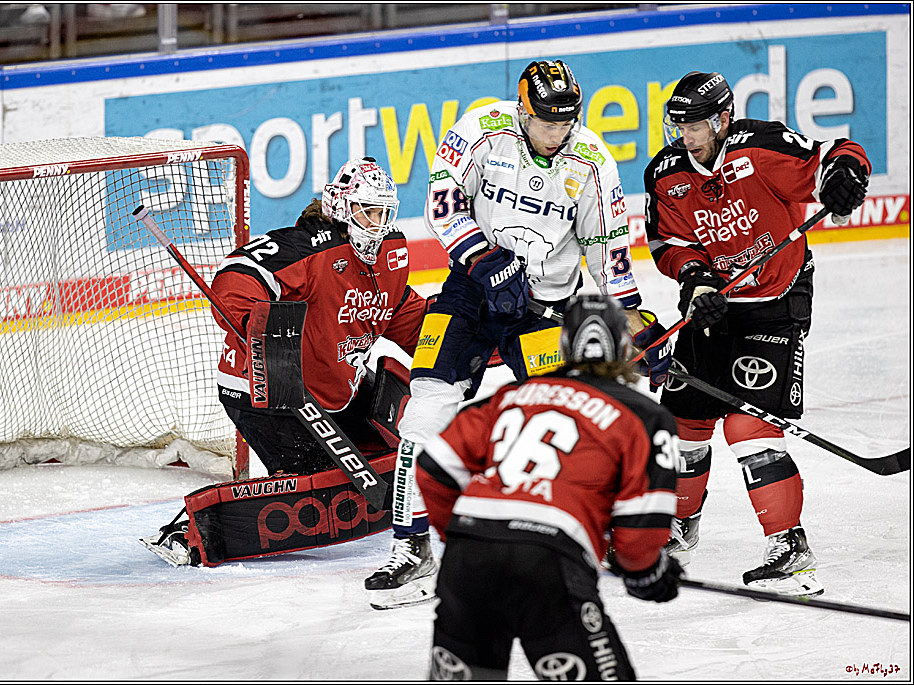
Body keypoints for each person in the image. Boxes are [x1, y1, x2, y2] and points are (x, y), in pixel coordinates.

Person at [364, 59, 673, 608]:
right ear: (524, 113)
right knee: (425, 407)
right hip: (469, 293)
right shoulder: (482, 127)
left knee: (561, 417)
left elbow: (607, 249)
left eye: (566, 122)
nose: (558, 132)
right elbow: (442, 201)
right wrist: (484, 261)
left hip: (543, 309)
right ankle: (411, 549)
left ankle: (579, 528)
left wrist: (632, 316)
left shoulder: (593, 161)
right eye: (547, 122)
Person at [644, 71, 870, 597]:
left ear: (722, 119)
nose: (685, 137)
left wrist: (844, 177)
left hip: (775, 304)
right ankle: (678, 529)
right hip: (712, 308)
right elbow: (668, 243)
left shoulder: (761, 145)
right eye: (679, 126)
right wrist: (696, 281)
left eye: (694, 126)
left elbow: (839, 153)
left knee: (749, 428)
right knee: (683, 421)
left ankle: (790, 546)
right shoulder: (666, 173)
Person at [416, 294, 682, 680]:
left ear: (563, 346)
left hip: (468, 560)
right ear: (625, 348)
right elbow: (639, 530)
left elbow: (434, 467)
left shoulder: (510, 396)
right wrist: (647, 572)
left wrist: (464, 534)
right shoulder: (645, 416)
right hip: (549, 563)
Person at [210, 157, 427, 477]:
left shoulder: (389, 254)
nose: (377, 223)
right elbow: (236, 274)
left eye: (383, 212)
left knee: (400, 439)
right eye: (368, 211)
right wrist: (259, 329)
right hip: (263, 392)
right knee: (317, 476)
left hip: (336, 389)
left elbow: (398, 311)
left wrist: (456, 340)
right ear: (342, 207)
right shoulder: (309, 247)